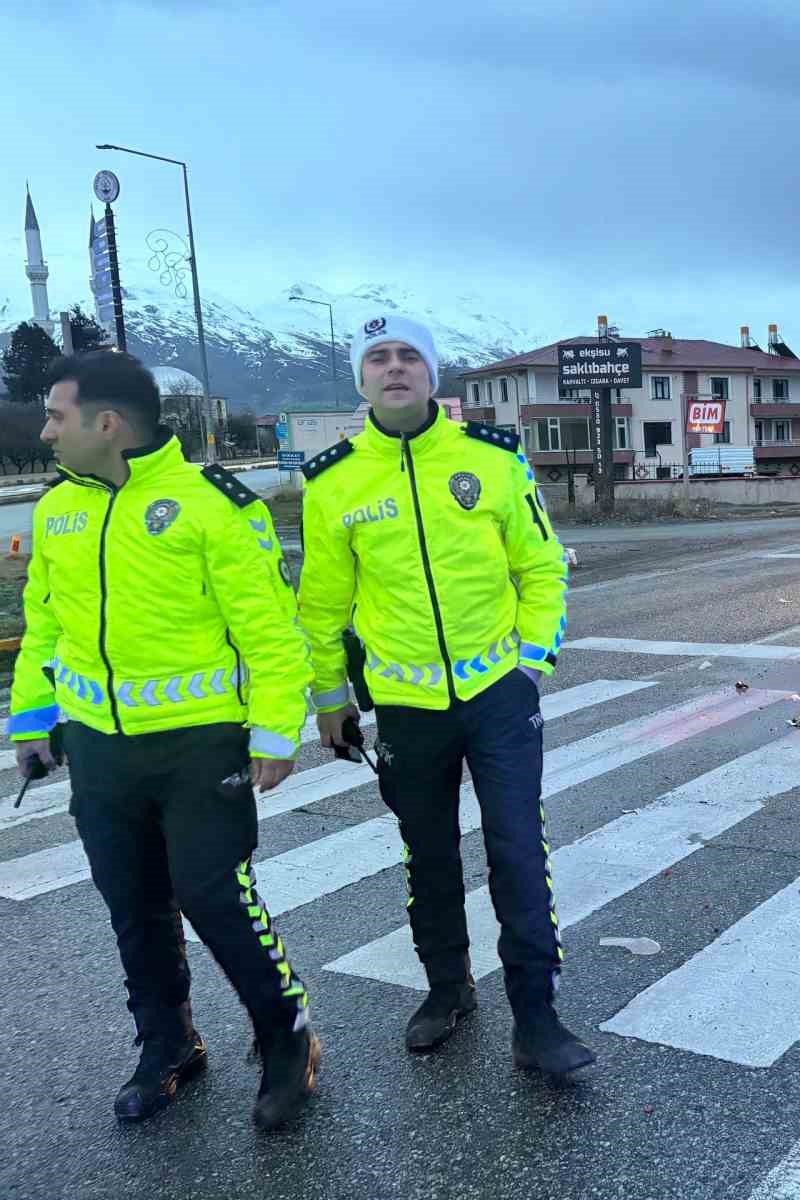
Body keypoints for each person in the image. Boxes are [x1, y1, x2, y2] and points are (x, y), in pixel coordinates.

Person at [9, 352, 320, 1129]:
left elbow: (271, 631)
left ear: (105, 424)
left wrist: (278, 729)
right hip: (101, 752)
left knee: (216, 897)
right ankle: (168, 1044)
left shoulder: (214, 504)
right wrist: (31, 722)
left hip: (197, 749)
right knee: (133, 904)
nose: (46, 430)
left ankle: (286, 1039)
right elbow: (45, 627)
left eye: (57, 415)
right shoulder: (58, 511)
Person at [297, 314, 593, 1081]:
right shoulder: (332, 481)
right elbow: (322, 606)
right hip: (403, 705)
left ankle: (538, 1017)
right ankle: (447, 989)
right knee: (426, 853)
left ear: (432, 375)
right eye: (378, 359)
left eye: (408, 357)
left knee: (516, 850)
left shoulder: (491, 460)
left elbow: (542, 568)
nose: (394, 369)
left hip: (497, 696)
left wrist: (532, 663)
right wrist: (330, 698)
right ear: (361, 380)